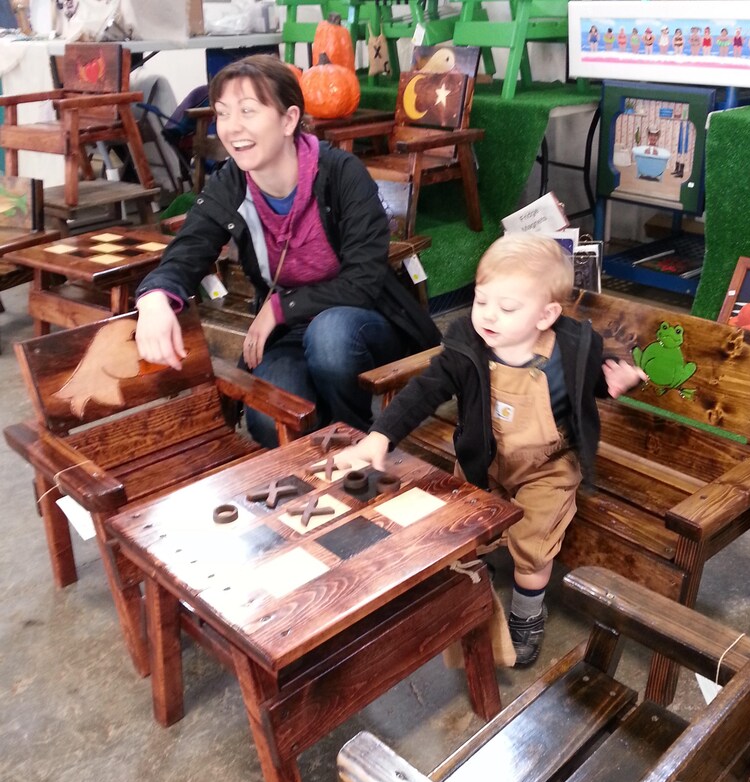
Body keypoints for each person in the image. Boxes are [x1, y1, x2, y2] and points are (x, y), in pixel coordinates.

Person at [336, 234, 646, 667]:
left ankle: (527, 615)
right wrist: (380, 435)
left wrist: (617, 381)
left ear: (546, 315)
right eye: (481, 300)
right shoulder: (467, 347)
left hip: (549, 465)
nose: (488, 315)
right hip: (485, 456)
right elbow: (425, 390)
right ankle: (469, 589)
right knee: (461, 528)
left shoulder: (572, 347)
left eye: (508, 307)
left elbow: (589, 382)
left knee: (533, 545)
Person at [134, 55, 440, 448]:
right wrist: (155, 297)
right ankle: (317, 454)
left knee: (330, 337)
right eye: (223, 113)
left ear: (288, 119)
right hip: (291, 332)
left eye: (248, 110)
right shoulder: (231, 184)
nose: (231, 127)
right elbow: (189, 248)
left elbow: (364, 281)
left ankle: (355, 438)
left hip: (366, 321)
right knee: (268, 419)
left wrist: (280, 307)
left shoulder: (341, 174)